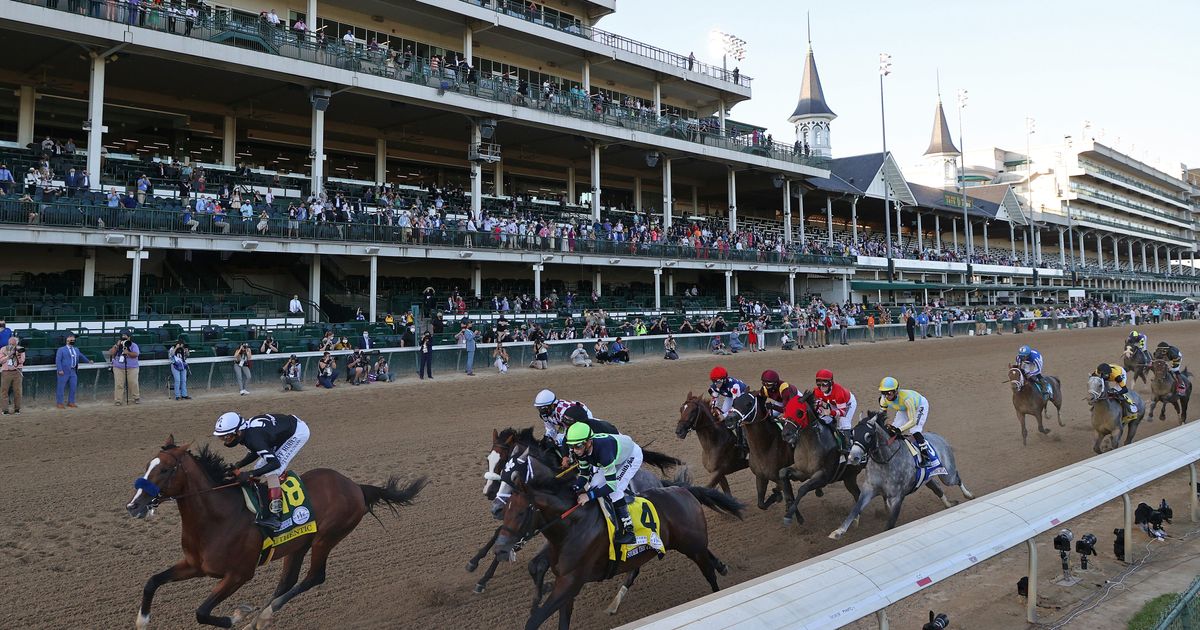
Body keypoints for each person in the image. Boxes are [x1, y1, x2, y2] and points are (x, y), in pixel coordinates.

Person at [213, 411, 310, 528]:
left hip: (297, 433)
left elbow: (274, 463)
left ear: (238, 432)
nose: (225, 440)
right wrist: (239, 465)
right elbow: (256, 451)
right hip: (283, 430)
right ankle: (263, 495)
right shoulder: (247, 432)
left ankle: (275, 515)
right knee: (259, 467)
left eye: (227, 436)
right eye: (221, 437)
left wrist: (250, 474)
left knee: (272, 470)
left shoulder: (254, 438)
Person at [564, 422, 642, 545]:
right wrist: (574, 487)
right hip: (614, 455)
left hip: (631, 456)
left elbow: (611, 486)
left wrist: (588, 496)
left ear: (589, 442)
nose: (575, 450)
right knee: (593, 487)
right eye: (572, 446)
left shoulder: (603, 453)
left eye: (578, 446)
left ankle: (629, 531)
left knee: (615, 492)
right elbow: (584, 475)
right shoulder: (582, 451)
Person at [877, 377, 935, 467]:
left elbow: (912, 421)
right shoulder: (883, 399)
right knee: (892, 430)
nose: (886, 396)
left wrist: (900, 430)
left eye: (889, 392)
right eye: (883, 393)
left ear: (896, 391)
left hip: (918, 406)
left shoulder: (907, 399)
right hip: (903, 408)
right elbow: (881, 416)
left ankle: (926, 457)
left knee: (914, 430)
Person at [811, 369, 857, 457]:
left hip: (848, 404)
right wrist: (820, 410)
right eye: (819, 383)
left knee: (844, 422)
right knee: (823, 419)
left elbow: (842, 412)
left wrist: (831, 412)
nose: (822, 386)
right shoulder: (817, 391)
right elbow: (818, 405)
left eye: (825, 383)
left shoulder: (838, 392)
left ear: (831, 382)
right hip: (833, 403)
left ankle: (848, 447)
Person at [55, 333, 92, 408]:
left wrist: (88, 361)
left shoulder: (76, 349)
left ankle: (71, 401)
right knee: (61, 387)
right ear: (67, 339)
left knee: (73, 387)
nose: (73, 340)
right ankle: (59, 402)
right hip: (64, 371)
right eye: (71, 338)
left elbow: (81, 356)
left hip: (73, 370)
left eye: (73, 338)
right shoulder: (61, 349)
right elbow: (58, 360)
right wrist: (60, 369)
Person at [110, 333, 141, 405]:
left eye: (126, 338)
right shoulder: (117, 345)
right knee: (119, 384)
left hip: (132, 367)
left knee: (133, 383)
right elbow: (111, 353)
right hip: (118, 367)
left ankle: (136, 397)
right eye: (123, 338)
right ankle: (118, 400)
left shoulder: (133, 345)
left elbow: (136, 354)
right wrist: (117, 345)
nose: (124, 339)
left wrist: (128, 352)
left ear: (129, 338)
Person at [0, 335, 25, 415]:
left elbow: (22, 361)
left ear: (17, 343)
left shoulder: (21, 349)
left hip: (17, 372)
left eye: (14, 344)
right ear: (9, 343)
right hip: (6, 372)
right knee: (4, 391)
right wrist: (8, 356)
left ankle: (17, 409)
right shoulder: (3, 349)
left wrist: (17, 355)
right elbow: (1, 361)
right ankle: (5, 410)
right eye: (11, 343)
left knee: (18, 391)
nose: (12, 345)